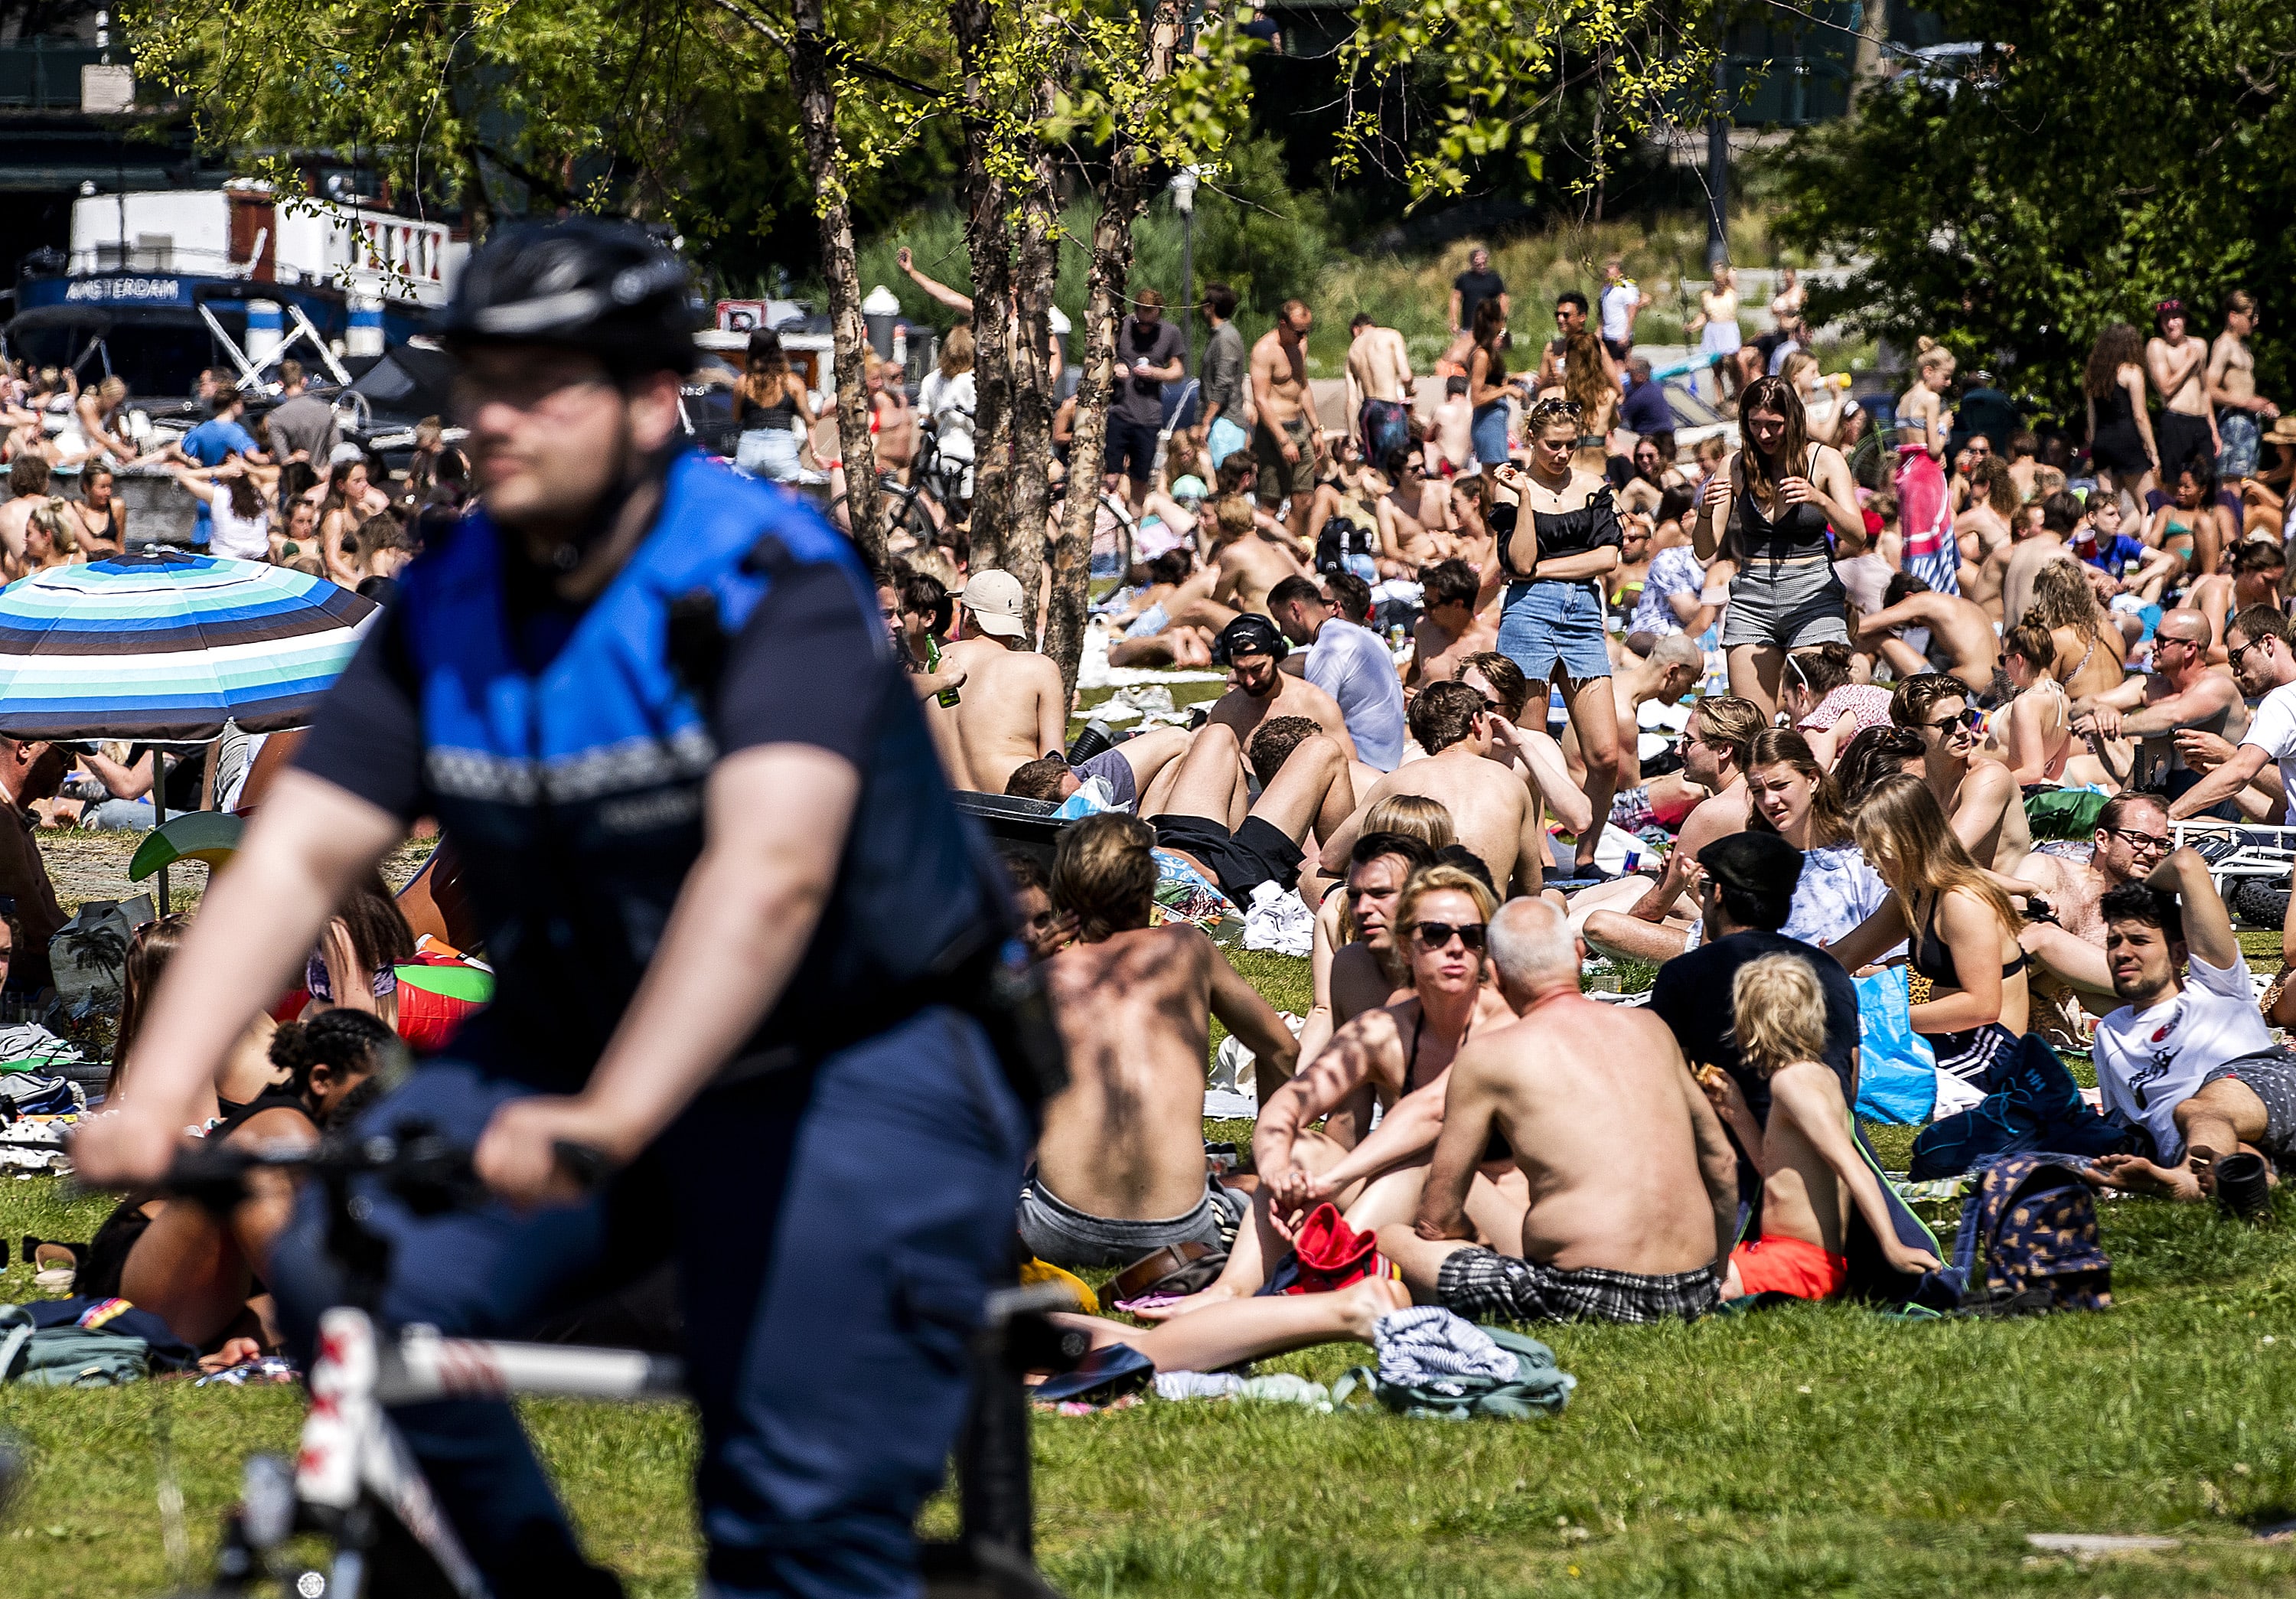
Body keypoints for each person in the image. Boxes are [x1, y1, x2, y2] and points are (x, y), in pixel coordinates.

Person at [70, 218, 1048, 1599]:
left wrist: (612, 1118)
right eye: (482, 379)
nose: (495, 416)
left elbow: (766, 873)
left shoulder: (763, 577)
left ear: (656, 399)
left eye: (547, 382)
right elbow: (292, 856)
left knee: (787, 1506)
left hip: (868, 1052)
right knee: (351, 1253)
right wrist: (156, 1099)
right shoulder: (449, 602)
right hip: (578, 1033)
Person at [1375, 897, 1738, 1324]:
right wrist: (1711, 1277)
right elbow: (1722, 1162)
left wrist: (1468, 1242)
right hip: (1691, 1290)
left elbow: (1438, 1220)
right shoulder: (1651, 1029)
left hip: (1583, 1294)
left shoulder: (1490, 1055)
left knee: (1390, 1238)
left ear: (1495, 975)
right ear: (1580, 956)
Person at [1019, 814, 1293, 1267]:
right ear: (1149, 887)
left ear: (1063, 892)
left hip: (1055, 1229)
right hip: (1177, 1234)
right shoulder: (1187, 949)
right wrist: (1268, 1160)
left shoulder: (1041, 980)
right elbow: (1282, 1048)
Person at [1710, 955, 1941, 1298]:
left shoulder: (1794, 1084)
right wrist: (1738, 1114)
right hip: (1784, 1255)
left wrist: (1893, 1246)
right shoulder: (1819, 1075)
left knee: (1686, 1290)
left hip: (1798, 1263)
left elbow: (1852, 1164)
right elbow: (1774, 1171)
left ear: (1750, 1021)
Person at [2086, 847, 2279, 1200]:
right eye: (2114, 942)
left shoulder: (2217, 986)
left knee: (2197, 1107)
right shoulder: (2109, 1032)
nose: (2122, 952)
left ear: (2178, 954)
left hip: (2260, 1089)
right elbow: (2125, 1119)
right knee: (2232, 1157)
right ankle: (2254, 1181)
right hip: (2188, 1141)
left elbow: (2186, 863)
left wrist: (2142, 891)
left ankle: (2186, 1180)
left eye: (2139, 940)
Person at [1831, 774, 2030, 1087]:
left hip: (1991, 1054)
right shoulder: (1913, 893)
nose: (1869, 862)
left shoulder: (1962, 901)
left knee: (1852, 1069)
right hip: (1948, 1040)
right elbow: (1844, 954)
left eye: (1876, 849)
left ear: (1909, 841)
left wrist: (1885, 1017)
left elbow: (1982, 1006)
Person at [1492, 406, 1623, 878]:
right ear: (1532, 438)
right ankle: (1538, 855)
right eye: (1553, 445)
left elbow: (1608, 557)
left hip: (1583, 614)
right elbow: (1519, 559)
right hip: (1528, 615)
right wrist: (1525, 498)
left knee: (1606, 753)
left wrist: (1544, 570)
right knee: (1531, 746)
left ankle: (1585, 853)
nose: (1564, 454)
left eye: (1571, 443)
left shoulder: (1592, 486)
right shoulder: (1510, 487)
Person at [1692, 374, 1864, 717]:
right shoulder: (1736, 465)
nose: (1764, 434)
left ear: (1794, 420)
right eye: (1755, 424)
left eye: (1774, 425)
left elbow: (1857, 537)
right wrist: (1704, 511)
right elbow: (1704, 549)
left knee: (1819, 718)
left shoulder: (1825, 460)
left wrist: (1820, 500)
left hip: (1813, 594)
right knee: (1752, 724)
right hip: (1752, 599)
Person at [1577, 695, 1764, 962]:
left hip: (1740, 951)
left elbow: (1653, 907)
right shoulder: (1757, 794)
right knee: (1645, 887)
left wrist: (1604, 945)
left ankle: (1558, 936)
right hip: (1759, 934)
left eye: (1688, 742)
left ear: (1724, 750)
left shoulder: (1713, 812)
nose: (1678, 751)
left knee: (1599, 925)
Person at [1320, 683, 1549, 899]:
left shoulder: (1395, 781)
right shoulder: (1512, 783)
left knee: (1313, 874)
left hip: (1412, 918)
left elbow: (1330, 859)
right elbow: (1530, 888)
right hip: (1481, 920)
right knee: (1554, 897)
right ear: (1476, 723)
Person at [2013, 791, 2174, 1023]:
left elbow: (2104, 1002)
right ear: (2103, 840)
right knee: (2045, 935)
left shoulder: (2135, 917)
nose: (2151, 852)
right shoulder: (2047, 870)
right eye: (2140, 839)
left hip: (2009, 1015)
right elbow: (2003, 933)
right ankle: (2175, 994)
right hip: (1975, 983)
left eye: (2160, 844)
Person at [1740, 728, 1893, 946]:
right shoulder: (1752, 863)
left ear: (1812, 779)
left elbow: (1893, 959)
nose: (1769, 800)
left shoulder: (1862, 860)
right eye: (1757, 791)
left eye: (1780, 786)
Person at [2071, 608, 2239, 801]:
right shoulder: (2149, 685)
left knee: (2158, 739)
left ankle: (2125, 807)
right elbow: (2080, 707)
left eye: (2161, 640)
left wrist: (2117, 725)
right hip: (2165, 793)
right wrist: (2100, 709)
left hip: (2215, 802)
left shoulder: (2217, 687)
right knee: (2154, 744)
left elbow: (2173, 716)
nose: (2151, 645)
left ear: (2190, 649)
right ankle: (2127, 805)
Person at [924, 568, 1067, 793]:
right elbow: (1055, 768)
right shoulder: (1040, 668)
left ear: (967, 613)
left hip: (952, 809)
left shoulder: (938, 662)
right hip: (1016, 810)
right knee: (1142, 748)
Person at [2167, 605, 2296, 822]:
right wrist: (2221, 773)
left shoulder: (2283, 701)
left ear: (2267, 643)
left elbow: (2243, 769)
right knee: (2203, 824)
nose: (2235, 671)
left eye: (2237, 657)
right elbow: (2280, 815)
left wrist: (2168, 818)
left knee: (2194, 832)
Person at [1889, 671, 2030, 870]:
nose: (1963, 730)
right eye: (1947, 725)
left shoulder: (1989, 778)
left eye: (1966, 717)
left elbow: (1944, 859)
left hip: (2000, 896)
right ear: (1912, 733)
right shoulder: (1916, 783)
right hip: (1950, 890)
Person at [1268, 573, 1407, 770]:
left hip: (1364, 765)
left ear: (1295, 609)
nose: (1282, 632)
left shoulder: (1327, 648)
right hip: (1391, 758)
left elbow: (1315, 724)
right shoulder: (1368, 637)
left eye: (1280, 621)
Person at [1204, 612, 1357, 758]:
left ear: (1276, 656)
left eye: (1257, 669)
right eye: (1240, 671)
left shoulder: (1316, 704)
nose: (1250, 680)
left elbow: (1349, 768)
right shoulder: (1226, 710)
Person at [1857, 573, 2002, 700]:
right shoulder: (1967, 605)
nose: (1912, 628)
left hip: (1967, 694)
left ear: (1908, 596)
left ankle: (1848, 681)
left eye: (1906, 622)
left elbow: (1862, 627)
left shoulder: (1922, 600)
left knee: (1878, 636)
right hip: (1997, 692)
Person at [1107, 290, 1185, 516]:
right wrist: (1114, 368)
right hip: (1118, 411)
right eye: (1141, 321)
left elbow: (1178, 371)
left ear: (1159, 314)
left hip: (1149, 417)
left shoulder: (1171, 333)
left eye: (1150, 323)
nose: (1144, 327)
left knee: (1140, 479)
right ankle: (1109, 523)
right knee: (1111, 476)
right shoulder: (1121, 325)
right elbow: (1100, 355)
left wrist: (1155, 373)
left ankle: (1134, 529)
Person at [1251, 299, 1324, 538]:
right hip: (1274, 431)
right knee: (1271, 502)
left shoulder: (1299, 346)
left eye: (1307, 331)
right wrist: (1283, 440)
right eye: (1299, 331)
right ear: (1283, 324)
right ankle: (1260, 552)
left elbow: (1303, 387)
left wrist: (1316, 429)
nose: (1303, 337)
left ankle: (1293, 550)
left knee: (1304, 499)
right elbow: (1260, 400)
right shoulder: (1264, 351)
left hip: (1299, 428)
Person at [1895, 339, 1960, 594]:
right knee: (1932, 537)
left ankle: (1914, 586)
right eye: (1946, 376)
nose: (1948, 383)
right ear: (1928, 371)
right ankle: (1934, 591)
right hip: (1925, 476)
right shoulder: (1931, 400)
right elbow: (1933, 448)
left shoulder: (1904, 399)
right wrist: (1944, 425)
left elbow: (1911, 442)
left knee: (1913, 538)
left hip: (1907, 472)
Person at [169, 390, 268, 549]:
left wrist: (191, 462)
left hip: (205, 492)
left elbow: (176, 449)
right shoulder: (236, 432)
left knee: (203, 550)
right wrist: (272, 457)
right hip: (232, 497)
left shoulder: (202, 430)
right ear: (233, 404)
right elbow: (255, 457)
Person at [1778, 641, 1892, 768]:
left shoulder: (1822, 720)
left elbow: (1814, 776)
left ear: (1801, 693)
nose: (1787, 709)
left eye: (1786, 699)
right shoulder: (1873, 693)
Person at [731, 329, 819, 485]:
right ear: (778, 350)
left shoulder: (743, 382)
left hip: (750, 446)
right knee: (787, 507)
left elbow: (736, 417)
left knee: (746, 505)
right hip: (781, 447)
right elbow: (810, 419)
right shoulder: (792, 382)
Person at [2086, 321, 2161, 501]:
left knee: (2107, 503)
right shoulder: (2132, 372)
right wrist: (2153, 451)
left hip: (2102, 442)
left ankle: (2110, 530)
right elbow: (2140, 415)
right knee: (2148, 506)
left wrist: (2095, 444)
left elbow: (2091, 416)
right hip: (2127, 441)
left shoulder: (2094, 375)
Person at [2209, 290, 2279, 480]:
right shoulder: (2223, 345)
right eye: (2250, 317)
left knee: (2248, 484)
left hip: (2250, 423)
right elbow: (2209, 389)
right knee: (2232, 486)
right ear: (2233, 317)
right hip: (2233, 424)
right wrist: (2245, 402)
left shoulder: (2244, 347)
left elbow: (2243, 390)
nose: (2255, 322)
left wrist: (2263, 404)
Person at [2148, 299, 2219, 486]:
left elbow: (2205, 391)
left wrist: (2213, 429)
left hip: (2200, 421)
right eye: (2166, 320)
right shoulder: (2157, 346)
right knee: (2174, 482)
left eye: (2175, 317)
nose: (2171, 324)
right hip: (2175, 420)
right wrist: (2190, 362)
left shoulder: (2200, 345)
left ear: (2185, 319)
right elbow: (2166, 388)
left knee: (2208, 481)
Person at [2181, 537, 2285, 663]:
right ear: (2247, 569)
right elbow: (2210, 650)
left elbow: (2278, 641)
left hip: (2233, 661)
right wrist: (2256, 657)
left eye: (2276, 582)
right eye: (2267, 580)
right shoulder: (2218, 590)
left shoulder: (2267, 592)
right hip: (2196, 663)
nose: (2272, 587)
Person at [917, 323, 979, 509]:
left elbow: (924, 417)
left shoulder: (930, 380)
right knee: (971, 507)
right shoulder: (973, 380)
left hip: (940, 455)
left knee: (942, 506)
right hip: (969, 453)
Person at [2000, 489, 2082, 628]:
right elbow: (2082, 607)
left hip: (2009, 642)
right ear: (2073, 525)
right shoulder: (2063, 557)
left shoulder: (2021, 548)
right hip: (2035, 644)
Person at [1345, 312, 1417, 471]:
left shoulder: (1352, 351)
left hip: (1368, 411)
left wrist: (1351, 436)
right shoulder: (1391, 335)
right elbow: (1406, 376)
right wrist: (1408, 390)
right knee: (1400, 465)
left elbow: (1352, 400)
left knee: (1378, 468)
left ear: (1356, 330)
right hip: (1389, 411)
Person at [168, 458, 272, 563]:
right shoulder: (261, 494)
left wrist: (216, 471)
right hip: (259, 560)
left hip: (225, 560)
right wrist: (250, 468)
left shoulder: (217, 494)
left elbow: (181, 476)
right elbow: (277, 474)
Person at [1198, 282, 1249, 467]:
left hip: (1225, 424)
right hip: (1219, 422)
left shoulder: (1225, 338)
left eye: (1203, 303)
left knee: (1224, 480)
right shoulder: (1218, 336)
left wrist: (1206, 420)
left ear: (1210, 307)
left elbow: (1223, 384)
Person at [1466, 298, 1518, 472]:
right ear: (1495, 322)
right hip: (1487, 423)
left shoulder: (1490, 352)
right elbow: (1477, 397)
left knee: (1499, 472)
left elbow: (1492, 384)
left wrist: (1515, 379)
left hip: (1496, 421)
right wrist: (1507, 389)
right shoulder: (1481, 355)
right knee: (1493, 475)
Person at [1686, 263, 1743, 406]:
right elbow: (1704, 315)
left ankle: (1738, 395)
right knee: (1716, 368)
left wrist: (1728, 267)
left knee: (1734, 365)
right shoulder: (1707, 296)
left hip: (1728, 330)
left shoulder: (1731, 292)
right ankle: (1719, 398)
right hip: (1714, 330)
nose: (1719, 283)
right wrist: (1692, 326)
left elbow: (1733, 275)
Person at [264, 359, 340, 466]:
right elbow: (337, 449)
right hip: (326, 474)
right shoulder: (325, 409)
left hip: (299, 478)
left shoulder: (276, 417)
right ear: (304, 381)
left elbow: (285, 460)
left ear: (280, 384)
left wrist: (294, 457)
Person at [1446, 246, 1508, 370]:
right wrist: (1453, 321)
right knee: (1467, 355)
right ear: (1472, 262)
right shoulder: (1464, 279)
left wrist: (1502, 320)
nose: (1481, 264)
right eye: (1477, 261)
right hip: (1469, 326)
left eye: (1483, 261)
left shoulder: (1494, 279)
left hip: (1489, 325)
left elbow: (1503, 298)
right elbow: (1455, 298)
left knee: (1488, 355)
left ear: (1487, 261)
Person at [70, 462, 127, 558]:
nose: (108, 492)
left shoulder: (116, 507)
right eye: (103, 487)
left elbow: (120, 544)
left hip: (110, 561)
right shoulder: (74, 510)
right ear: (86, 487)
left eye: (110, 487)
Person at [1597, 257, 1642, 361]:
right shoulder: (1607, 289)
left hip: (1619, 334)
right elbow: (1603, 312)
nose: (1607, 274)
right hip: (1607, 334)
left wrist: (1626, 334)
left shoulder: (1627, 288)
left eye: (1609, 271)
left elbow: (1632, 310)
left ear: (1618, 271)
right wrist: (1599, 330)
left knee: (1620, 364)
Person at [1619, 357, 1672, 441]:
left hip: (1651, 437)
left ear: (1640, 377)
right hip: (1667, 433)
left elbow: (1619, 417)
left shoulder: (1640, 396)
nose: (1628, 377)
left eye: (1630, 374)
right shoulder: (1656, 386)